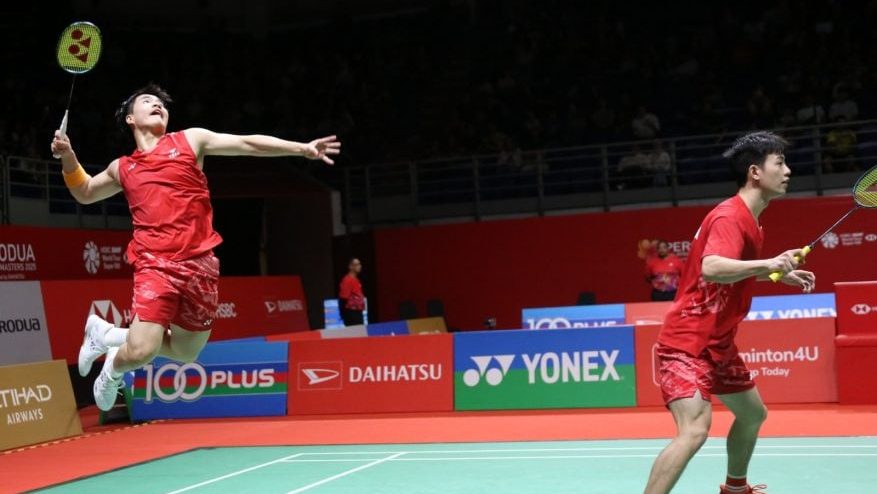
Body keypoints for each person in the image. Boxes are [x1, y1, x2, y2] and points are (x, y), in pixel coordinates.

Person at [50, 84, 341, 411]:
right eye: (148, 101)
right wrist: (68, 157)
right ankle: (113, 371)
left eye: (161, 103)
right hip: (155, 265)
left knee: (186, 352)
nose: (158, 105)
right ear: (130, 119)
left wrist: (302, 149)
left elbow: (245, 143)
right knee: (143, 350)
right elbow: (85, 192)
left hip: (199, 266)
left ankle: (105, 336)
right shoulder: (124, 167)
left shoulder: (190, 140)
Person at [643, 131, 816, 494]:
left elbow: (731, 272)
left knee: (752, 414)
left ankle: (736, 488)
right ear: (755, 172)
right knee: (694, 430)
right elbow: (712, 268)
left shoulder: (751, 220)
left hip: (718, 343)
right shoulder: (730, 216)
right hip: (688, 342)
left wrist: (775, 274)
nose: (788, 171)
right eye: (780, 163)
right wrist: (768, 263)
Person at [339, 257, 365, 326]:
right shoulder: (347, 280)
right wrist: (343, 315)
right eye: (357, 264)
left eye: (360, 264)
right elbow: (343, 299)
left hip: (358, 312)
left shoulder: (356, 279)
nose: (360, 266)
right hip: (351, 314)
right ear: (350, 267)